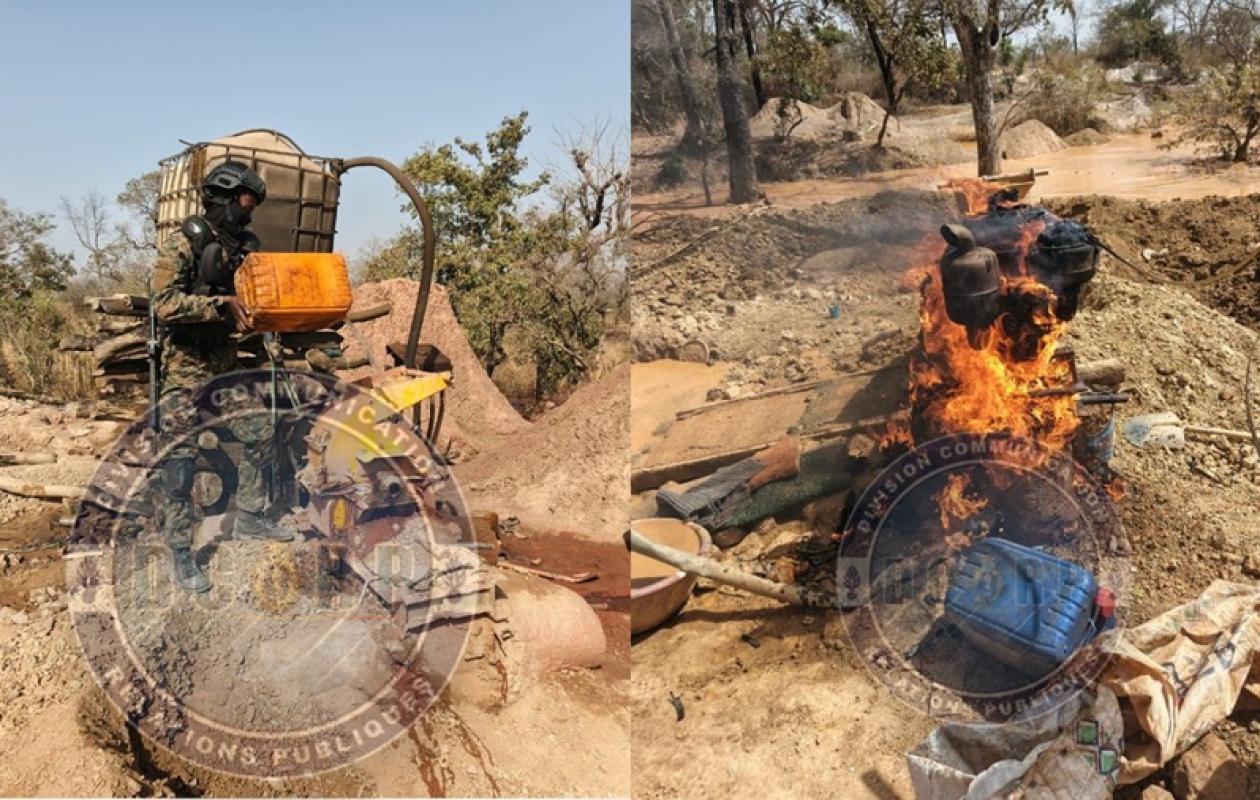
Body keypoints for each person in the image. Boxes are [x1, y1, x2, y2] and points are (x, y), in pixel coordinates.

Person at [152, 161, 291, 593]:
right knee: (179, 464)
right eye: (248, 201)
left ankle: (250, 517)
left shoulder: (243, 248)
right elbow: (163, 303)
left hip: (224, 365)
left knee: (261, 431)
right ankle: (180, 553)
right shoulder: (184, 244)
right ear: (226, 197)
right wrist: (219, 306)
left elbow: (256, 297)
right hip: (185, 366)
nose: (251, 211)